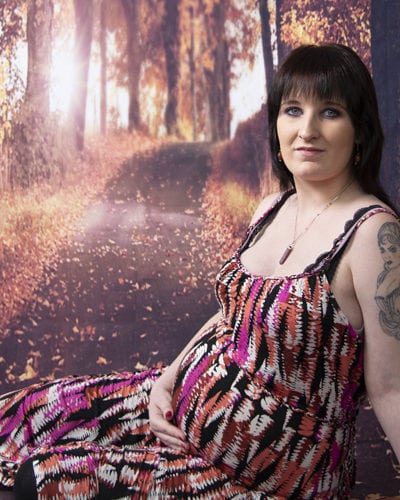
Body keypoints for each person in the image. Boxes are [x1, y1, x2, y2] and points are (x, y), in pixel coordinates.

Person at [0, 43, 399, 499]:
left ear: (360, 131)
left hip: (263, 474)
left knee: (41, 479)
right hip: (180, 405)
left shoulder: (373, 235)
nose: (306, 129)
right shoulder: (272, 208)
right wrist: (168, 381)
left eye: (330, 112)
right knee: (30, 413)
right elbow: (233, 317)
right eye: (293, 110)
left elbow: (392, 388)